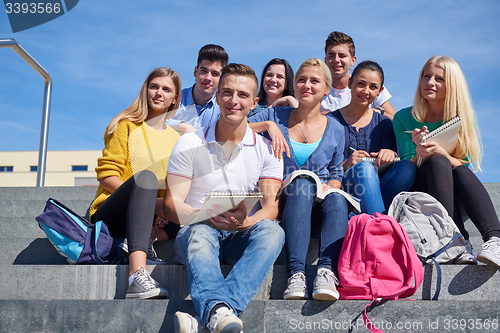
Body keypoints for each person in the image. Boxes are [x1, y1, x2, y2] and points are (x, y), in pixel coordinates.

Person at [164, 64, 285, 333]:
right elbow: (171, 205)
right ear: (217, 97)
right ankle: (220, 311)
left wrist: (247, 222)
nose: (234, 101)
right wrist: (205, 216)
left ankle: (210, 314)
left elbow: (271, 207)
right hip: (197, 233)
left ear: (254, 102)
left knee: (272, 232)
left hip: (239, 235)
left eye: (243, 95)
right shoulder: (190, 143)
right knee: (200, 233)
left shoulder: (267, 151)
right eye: (227, 93)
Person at [248, 58, 348, 301]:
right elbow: (232, 129)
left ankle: (326, 270)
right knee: (301, 183)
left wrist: (330, 186)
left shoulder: (336, 129)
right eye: (301, 80)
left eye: (315, 81)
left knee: (337, 196)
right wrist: (268, 124)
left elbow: (336, 174)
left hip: (317, 208)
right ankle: (297, 274)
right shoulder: (274, 114)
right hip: (281, 201)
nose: (307, 85)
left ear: (326, 89)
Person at [393, 55, 500, 266]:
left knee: (449, 165)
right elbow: (407, 168)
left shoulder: (466, 116)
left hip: (454, 187)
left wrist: (442, 151)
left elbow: (464, 165)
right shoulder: (403, 117)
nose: (430, 83)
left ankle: (494, 239)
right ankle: (459, 241)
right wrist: (419, 151)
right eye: (426, 76)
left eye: (439, 79)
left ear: (451, 85)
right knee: (437, 161)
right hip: (420, 189)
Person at [89, 67, 182, 299]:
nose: (159, 93)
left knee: (191, 204)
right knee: (146, 178)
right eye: (154, 86)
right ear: (146, 90)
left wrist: (163, 207)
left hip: (152, 216)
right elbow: (107, 175)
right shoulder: (125, 125)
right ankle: (136, 275)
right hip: (111, 214)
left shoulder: (177, 139)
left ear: (175, 98)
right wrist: (151, 202)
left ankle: (145, 237)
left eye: (166, 89)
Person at [329, 60, 417, 214]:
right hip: (345, 186)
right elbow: (322, 166)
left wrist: (390, 153)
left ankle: (364, 214)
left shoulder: (384, 123)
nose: (366, 91)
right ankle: (379, 225)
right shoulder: (331, 121)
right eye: (361, 84)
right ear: (350, 83)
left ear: (380, 91)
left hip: (379, 186)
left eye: (373, 87)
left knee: (408, 167)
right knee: (364, 168)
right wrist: (346, 164)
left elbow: (393, 157)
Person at [320, 31, 397, 120]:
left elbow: (397, 121)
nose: (336, 60)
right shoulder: (316, 88)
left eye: (342, 55)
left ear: (353, 60)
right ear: (325, 60)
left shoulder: (371, 85)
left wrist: (378, 112)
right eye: (331, 55)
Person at [165, 44, 228, 134]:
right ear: (195, 71)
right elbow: (154, 120)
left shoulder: (223, 108)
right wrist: (183, 126)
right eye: (204, 71)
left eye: (215, 74)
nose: (208, 78)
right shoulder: (175, 99)